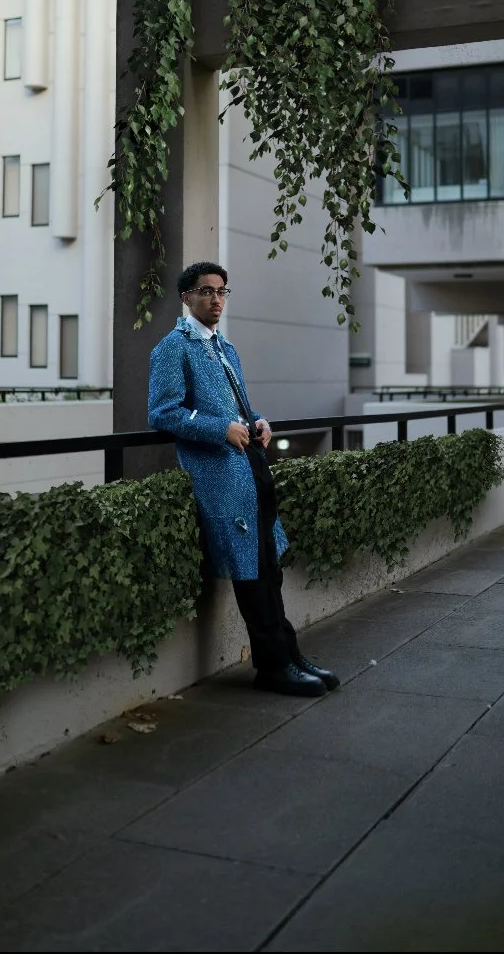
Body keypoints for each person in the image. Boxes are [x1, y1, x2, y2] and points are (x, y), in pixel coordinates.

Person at [148, 261, 339, 697]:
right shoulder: (171, 349)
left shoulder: (225, 348)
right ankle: (273, 667)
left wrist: (257, 421)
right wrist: (219, 429)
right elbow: (162, 412)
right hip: (220, 478)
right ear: (186, 297)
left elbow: (240, 407)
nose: (216, 299)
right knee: (251, 575)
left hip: (251, 467)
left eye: (221, 291)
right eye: (206, 291)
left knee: (269, 569)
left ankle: (290, 655)